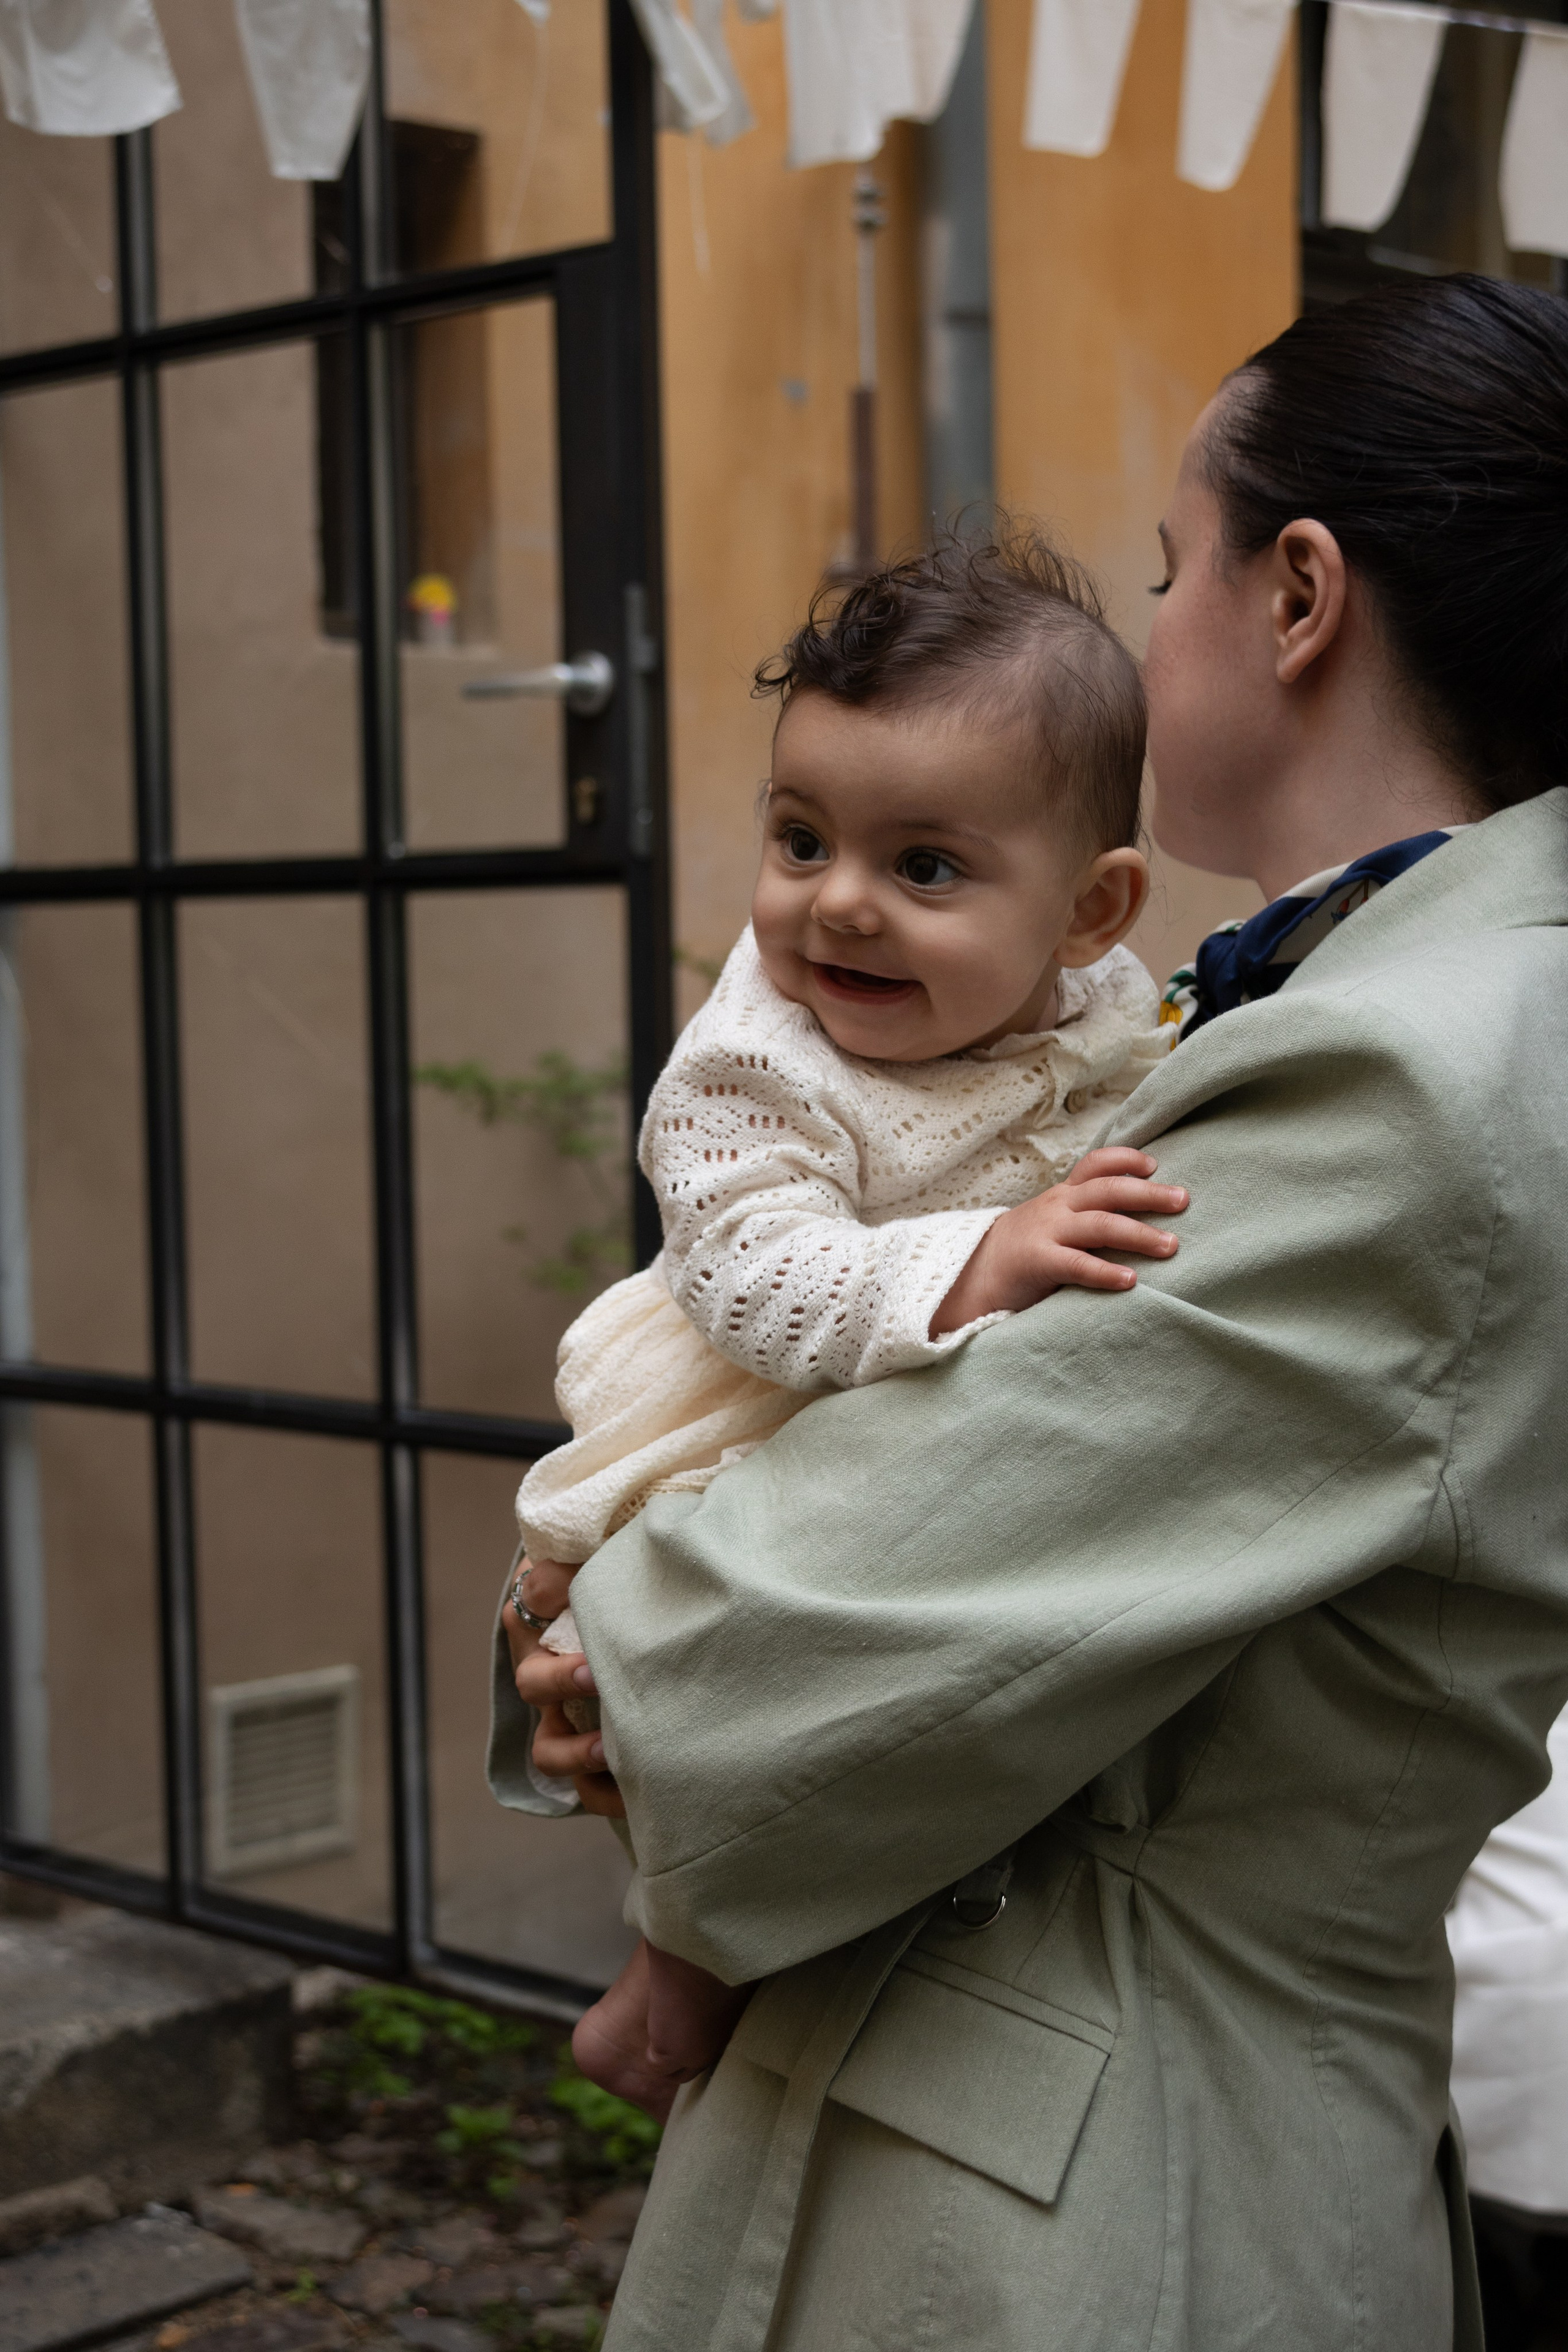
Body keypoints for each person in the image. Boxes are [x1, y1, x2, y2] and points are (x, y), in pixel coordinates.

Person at [507, 274, 1568, 2352]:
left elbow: (856, 1606)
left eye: (1170, 569)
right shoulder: (1379, 999)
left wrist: (599, 1652)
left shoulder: (1402, 1071)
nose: (1151, 632)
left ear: (1299, 597)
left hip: (1089, 2161)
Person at [491, 534, 1186, 2109]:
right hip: (704, 1448)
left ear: (1087, 911)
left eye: (922, 867)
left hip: (877, 1450)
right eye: (800, 841)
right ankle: (665, 1990)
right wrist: (981, 1258)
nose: (840, 907)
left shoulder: (1111, 1014)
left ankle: (687, 1986)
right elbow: (755, 1280)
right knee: (719, 1731)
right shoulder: (753, 1066)